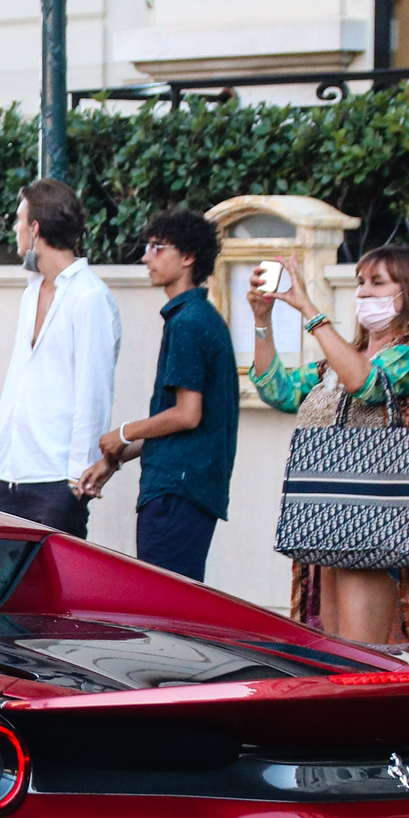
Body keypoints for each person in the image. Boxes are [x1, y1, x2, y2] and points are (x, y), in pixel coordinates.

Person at [247, 245, 409, 643]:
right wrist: (262, 321)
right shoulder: (343, 357)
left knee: (359, 658)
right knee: (335, 655)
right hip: (332, 517)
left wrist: (310, 310)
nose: (363, 293)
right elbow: (279, 390)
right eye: (360, 283)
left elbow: (368, 384)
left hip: (375, 517)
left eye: (378, 283)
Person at [80, 210, 237, 583]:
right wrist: (115, 459)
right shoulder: (198, 316)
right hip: (184, 487)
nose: (146, 257)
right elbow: (177, 421)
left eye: (156, 247)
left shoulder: (188, 322)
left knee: (166, 614)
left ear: (187, 258)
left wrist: (124, 433)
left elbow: (187, 415)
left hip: (176, 492)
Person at [0, 178, 121, 536]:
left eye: (18, 220)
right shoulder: (31, 292)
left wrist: (75, 482)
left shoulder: (89, 296)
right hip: (6, 477)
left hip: (55, 486)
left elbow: (93, 393)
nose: (13, 229)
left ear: (35, 229)